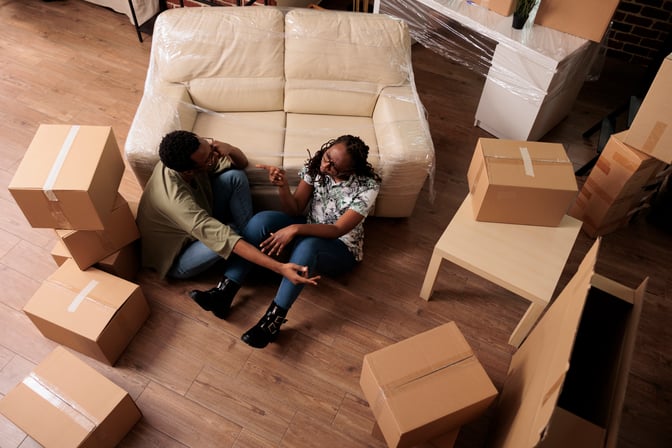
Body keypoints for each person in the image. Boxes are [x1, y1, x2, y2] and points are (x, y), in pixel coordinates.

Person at [136, 130, 318, 318]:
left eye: (209, 146)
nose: (214, 156)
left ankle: (248, 256)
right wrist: (279, 267)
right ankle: (253, 257)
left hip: (201, 217)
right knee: (232, 231)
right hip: (178, 255)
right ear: (189, 170)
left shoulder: (187, 158)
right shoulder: (177, 202)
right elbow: (225, 237)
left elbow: (240, 163)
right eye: (208, 158)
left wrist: (229, 149)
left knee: (235, 177)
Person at [232, 134, 381, 348]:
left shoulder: (368, 186)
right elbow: (294, 209)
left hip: (340, 248)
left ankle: (272, 322)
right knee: (261, 220)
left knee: (308, 244)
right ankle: (226, 288)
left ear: (349, 171)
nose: (326, 164)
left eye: (334, 166)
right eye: (328, 156)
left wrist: (295, 228)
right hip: (308, 226)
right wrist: (282, 187)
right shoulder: (316, 165)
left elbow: (338, 229)